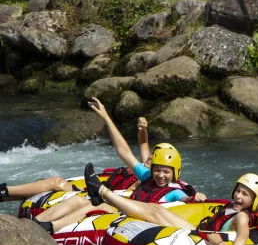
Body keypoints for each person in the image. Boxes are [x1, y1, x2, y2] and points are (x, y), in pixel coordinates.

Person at [36, 100, 205, 233]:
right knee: (80, 199)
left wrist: (196, 198)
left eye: (166, 172)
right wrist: (106, 118)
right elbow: (124, 152)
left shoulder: (175, 191)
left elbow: (186, 200)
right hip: (127, 212)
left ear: (175, 173)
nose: (161, 175)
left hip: (139, 223)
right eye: (157, 170)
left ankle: (51, 227)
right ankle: (36, 223)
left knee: (98, 204)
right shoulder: (147, 176)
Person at [92, 170, 258, 245]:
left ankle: (103, 193)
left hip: (198, 239)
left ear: (253, 200)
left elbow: (242, 237)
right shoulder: (237, 206)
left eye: (245, 194)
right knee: (157, 209)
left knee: (155, 215)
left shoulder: (242, 217)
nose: (239, 196)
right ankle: (104, 197)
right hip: (198, 231)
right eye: (238, 191)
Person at [0, 115, 150, 205]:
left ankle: (3, 190)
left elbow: (131, 193)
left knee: (55, 182)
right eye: (150, 156)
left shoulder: (148, 175)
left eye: (152, 158)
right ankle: (4, 196)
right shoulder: (146, 167)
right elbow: (144, 144)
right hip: (98, 189)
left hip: (101, 196)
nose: (149, 158)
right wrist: (143, 129)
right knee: (51, 182)